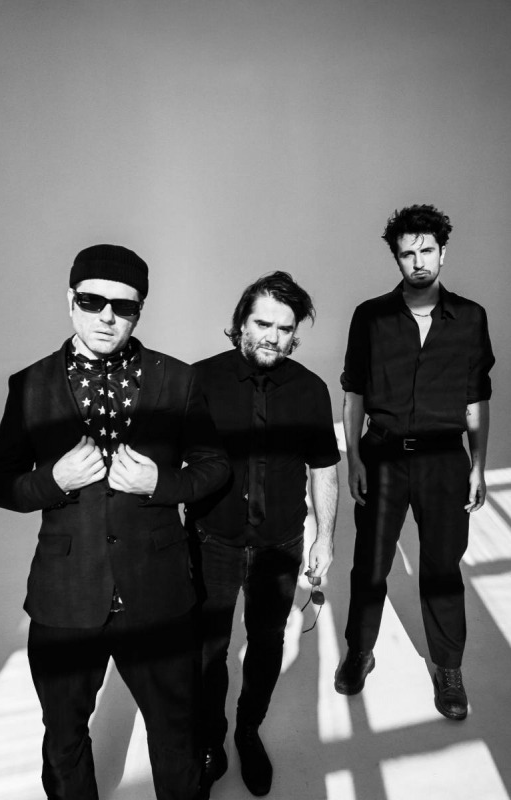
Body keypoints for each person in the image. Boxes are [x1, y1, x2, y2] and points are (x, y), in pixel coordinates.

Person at [0, 244, 230, 800]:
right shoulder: (30, 385)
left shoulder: (177, 379)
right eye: (93, 302)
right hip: (65, 596)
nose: (107, 317)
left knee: (177, 734)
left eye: (124, 306)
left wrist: (162, 484)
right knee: (63, 738)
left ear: (140, 311)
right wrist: (53, 480)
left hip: (159, 594)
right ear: (70, 301)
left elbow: (215, 467)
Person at [336, 204, 494, 721]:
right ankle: (360, 651)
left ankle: (448, 668)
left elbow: (476, 398)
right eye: (408, 253)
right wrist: (353, 457)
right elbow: (354, 392)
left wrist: (477, 465)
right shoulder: (370, 316)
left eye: (427, 250)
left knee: (442, 568)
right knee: (370, 565)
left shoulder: (470, 317)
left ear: (443, 252)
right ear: (397, 258)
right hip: (383, 456)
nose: (419, 261)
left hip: (445, 460)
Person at [186, 271, 340, 798]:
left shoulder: (311, 389)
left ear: (295, 333)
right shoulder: (199, 381)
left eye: (284, 328)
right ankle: (211, 740)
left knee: (268, 642)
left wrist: (324, 539)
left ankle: (248, 731)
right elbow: (169, 461)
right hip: (212, 540)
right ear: (241, 323)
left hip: (280, 543)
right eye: (262, 323)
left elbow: (324, 468)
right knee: (209, 648)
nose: (272, 336)